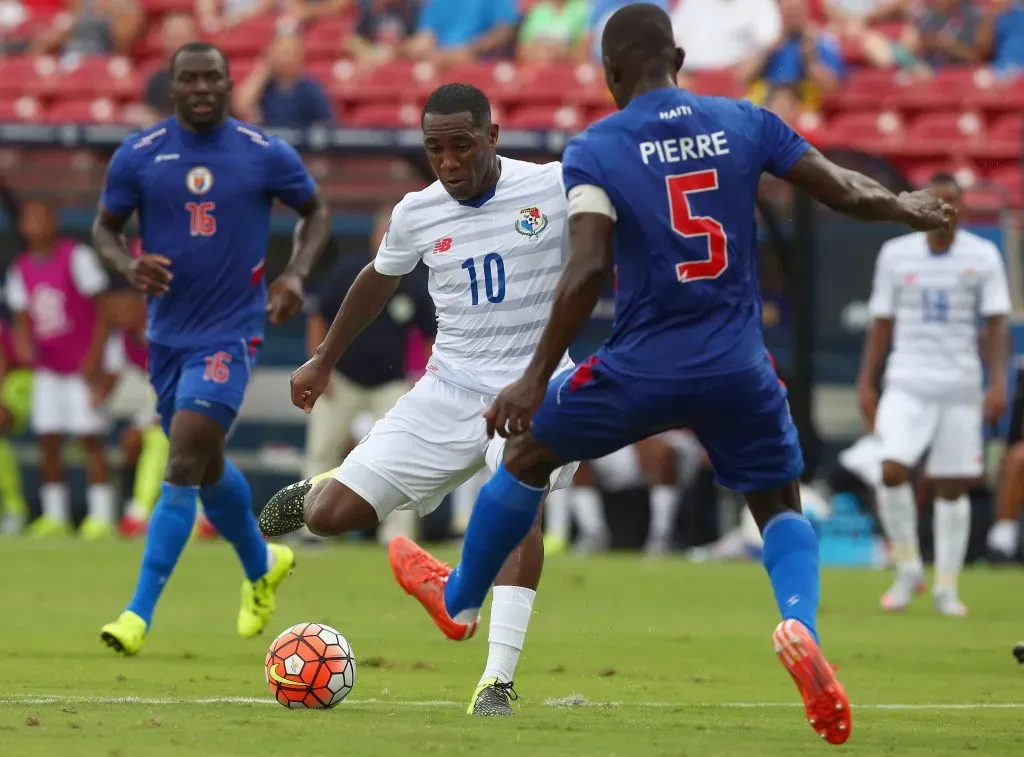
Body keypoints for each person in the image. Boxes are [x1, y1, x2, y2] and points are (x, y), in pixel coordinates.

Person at [387, 3, 956, 746]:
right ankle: (799, 626)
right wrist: (906, 206)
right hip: (738, 365)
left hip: (641, 364)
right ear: (679, 57)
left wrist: (532, 377)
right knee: (779, 505)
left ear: (611, 73)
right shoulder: (746, 121)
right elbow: (842, 189)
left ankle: (459, 599)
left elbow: (589, 263)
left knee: (525, 456)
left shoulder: (597, 146)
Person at [258, 82, 579, 717]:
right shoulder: (417, 212)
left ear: (492, 137)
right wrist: (324, 360)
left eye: (462, 146)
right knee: (329, 518)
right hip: (447, 389)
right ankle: (330, 485)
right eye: (436, 149)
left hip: (534, 388)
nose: (450, 162)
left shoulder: (552, 188)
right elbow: (378, 280)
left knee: (517, 511)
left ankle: (497, 683)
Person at [91, 40, 330, 655]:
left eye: (213, 78)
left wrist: (296, 273)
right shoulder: (140, 155)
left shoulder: (262, 153)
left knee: (181, 462)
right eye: (189, 79)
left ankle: (136, 614)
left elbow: (317, 212)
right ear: (171, 89)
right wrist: (127, 264)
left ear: (230, 85)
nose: (202, 88)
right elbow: (103, 228)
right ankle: (261, 563)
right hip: (166, 336)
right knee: (207, 463)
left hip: (231, 332)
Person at [858, 172, 1010, 618]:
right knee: (890, 469)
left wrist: (996, 381)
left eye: (953, 203)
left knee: (950, 484)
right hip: (907, 380)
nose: (946, 211)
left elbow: (996, 322)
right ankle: (907, 568)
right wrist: (867, 381)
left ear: (962, 209)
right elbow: (881, 321)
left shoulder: (983, 256)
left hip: (960, 385)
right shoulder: (896, 254)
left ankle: (946, 586)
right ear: (923, 206)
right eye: (938, 202)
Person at [6, 200, 115, 539]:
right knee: (48, 439)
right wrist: (23, 340)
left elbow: (104, 308)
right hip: (48, 369)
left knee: (89, 438)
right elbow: (21, 313)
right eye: (30, 219)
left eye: (42, 216)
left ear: (54, 222)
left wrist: (95, 355)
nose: (36, 225)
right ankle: (55, 516)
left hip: (81, 365)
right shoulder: (20, 267)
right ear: (22, 228)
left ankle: (101, 517)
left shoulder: (76, 256)